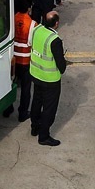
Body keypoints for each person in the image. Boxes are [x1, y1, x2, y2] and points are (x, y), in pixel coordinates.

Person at [29, 11, 68, 147]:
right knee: (49, 109)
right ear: (56, 23)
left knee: (36, 101)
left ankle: (34, 127)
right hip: (50, 79)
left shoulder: (36, 29)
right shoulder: (54, 40)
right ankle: (44, 136)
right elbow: (61, 66)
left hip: (35, 73)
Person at [9, 0, 36, 121]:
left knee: (10, 83)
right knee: (26, 88)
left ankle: (8, 108)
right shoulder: (32, 24)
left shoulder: (12, 19)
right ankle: (23, 112)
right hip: (26, 60)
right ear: (29, 8)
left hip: (13, 58)